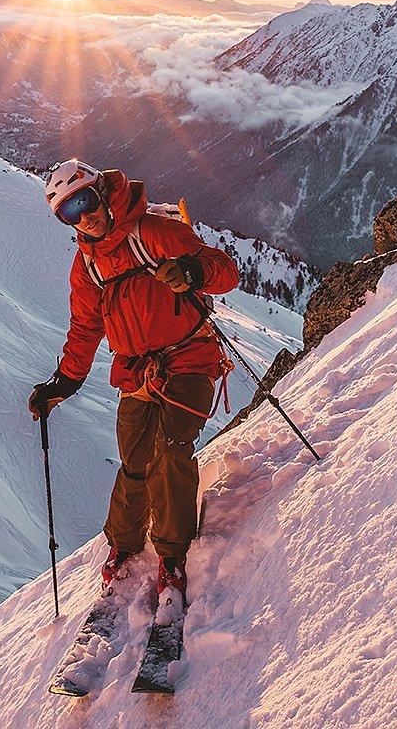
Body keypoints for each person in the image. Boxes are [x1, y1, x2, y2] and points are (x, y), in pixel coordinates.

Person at [27, 160, 238, 603]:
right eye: (69, 213)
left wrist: (193, 272)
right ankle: (123, 544)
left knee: (171, 449)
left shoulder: (153, 232)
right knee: (135, 460)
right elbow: (85, 328)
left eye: (85, 202)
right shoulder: (87, 266)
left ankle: (172, 555)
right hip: (136, 372)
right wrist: (63, 383)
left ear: (101, 192)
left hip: (191, 356)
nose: (84, 217)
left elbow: (224, 270)